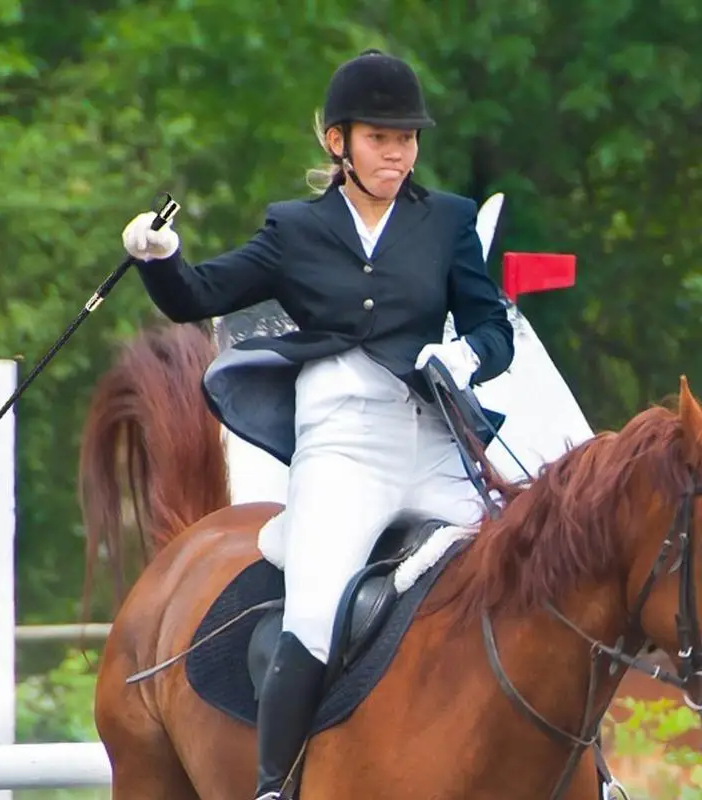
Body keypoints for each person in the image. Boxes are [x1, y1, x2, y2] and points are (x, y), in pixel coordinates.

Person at [121, 49, 514, 800]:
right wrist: (161, 257)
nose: (398, 152)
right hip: (343, 448)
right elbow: (197, 295)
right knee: (315, 604)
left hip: (431, 441)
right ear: (339, 143)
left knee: (515, 582)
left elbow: (492, 327)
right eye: (380, 138)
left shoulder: (449, 223)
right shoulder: (296, 229)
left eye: (407, 139)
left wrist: (466, 354)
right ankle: (276, 784)